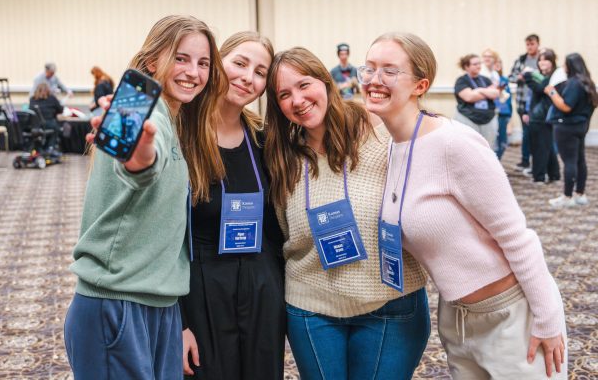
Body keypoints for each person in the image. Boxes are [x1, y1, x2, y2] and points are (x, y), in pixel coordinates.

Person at [362, 31, 567, 380]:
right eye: (368, 68)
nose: (374, 80)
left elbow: (517, 236)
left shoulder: (454, 144)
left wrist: (548, 320)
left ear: (419, 85)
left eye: (389, 70)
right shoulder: (393, 146)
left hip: (509, 316)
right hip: (455, 320)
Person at [63, 15, 227, 379]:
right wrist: (140, 162)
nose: (193, 72)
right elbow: (139, 168)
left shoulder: (172, 118)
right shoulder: (140, 110)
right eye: (181, 58)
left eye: (203, 63)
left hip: (157, 304)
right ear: (152, 60)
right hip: (117, 304)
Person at [265, 47, 429, 380]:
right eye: (284, 94)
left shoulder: (380, 130)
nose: (297, 100)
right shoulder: (281, 156)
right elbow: (282, 232)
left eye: (304, 84)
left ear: (325, 83)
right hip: (312, 311)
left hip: (390, 304)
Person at [180, 31, 285, 379]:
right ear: (217, 64)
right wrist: (178, 323)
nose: (247, 77)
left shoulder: (264, 139)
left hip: (261, 287)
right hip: (202, 290)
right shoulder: (182, 134)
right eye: (239, 63)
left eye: (259, 72)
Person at [545, 53, 598, 208]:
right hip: (581, 126)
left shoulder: (574, 83)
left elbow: (565, 106)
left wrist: (552, 92)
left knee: (569, 162)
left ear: (570, 66)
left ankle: (567, 197)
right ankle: (580, 194)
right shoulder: (589, 83)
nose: (563, 67)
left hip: (566, 127)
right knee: (580, 160)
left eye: (565, 64)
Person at [522, 49, 562, 184]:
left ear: (552, 62)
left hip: (542, 117)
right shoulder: (542, 75)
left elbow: (539, 89)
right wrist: (527, 112)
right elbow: (535, 95)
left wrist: (527, 76)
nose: (542, 62)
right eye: (540, 60)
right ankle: (554, 175)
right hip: (540, 116)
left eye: (546, 59)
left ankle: (539, 176)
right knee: (548, 146)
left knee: (539, 147)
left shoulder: (553, 76)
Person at [453, 54, 500, 148]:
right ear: (466, 66)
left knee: (488, 148)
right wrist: (487, 92)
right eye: (475, 64)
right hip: (469, 119)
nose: (478, 66)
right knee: (469, 148)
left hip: (488, 119)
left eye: (479, 63)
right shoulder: (461, 81)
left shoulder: (485, 79)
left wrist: (479, 90)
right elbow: (469, 97)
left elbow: (495, 94)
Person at [509, 34, 541, 171]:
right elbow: (511, 77)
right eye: (527, 44)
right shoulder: (521, 60)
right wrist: (521, 77)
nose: (530, 47)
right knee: (526, 133)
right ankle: (525, 161)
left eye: (532, 44)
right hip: (523, 102)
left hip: (539, 101)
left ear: (538, 44)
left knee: (538, 133)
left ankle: (538, 162)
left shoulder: (543, 58)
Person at [29, 82, 63, 150]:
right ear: (48, 90)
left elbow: (30, 110)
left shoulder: (32, 99)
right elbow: (60, 110)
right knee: (56, 129)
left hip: (35, 124)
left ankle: (40, 148)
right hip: (48, 122)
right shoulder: (52, 98)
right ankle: (50, 147)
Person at [494, 57, 513, 160]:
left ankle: (497, 161)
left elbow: (508, 99)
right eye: (495, 63)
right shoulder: (487, 79)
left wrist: (510, 117)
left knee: (503, 142)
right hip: (493, 114)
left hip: (504, 114)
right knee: (494, 142)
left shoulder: (504, 80)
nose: (497, 65)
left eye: (499, 63)